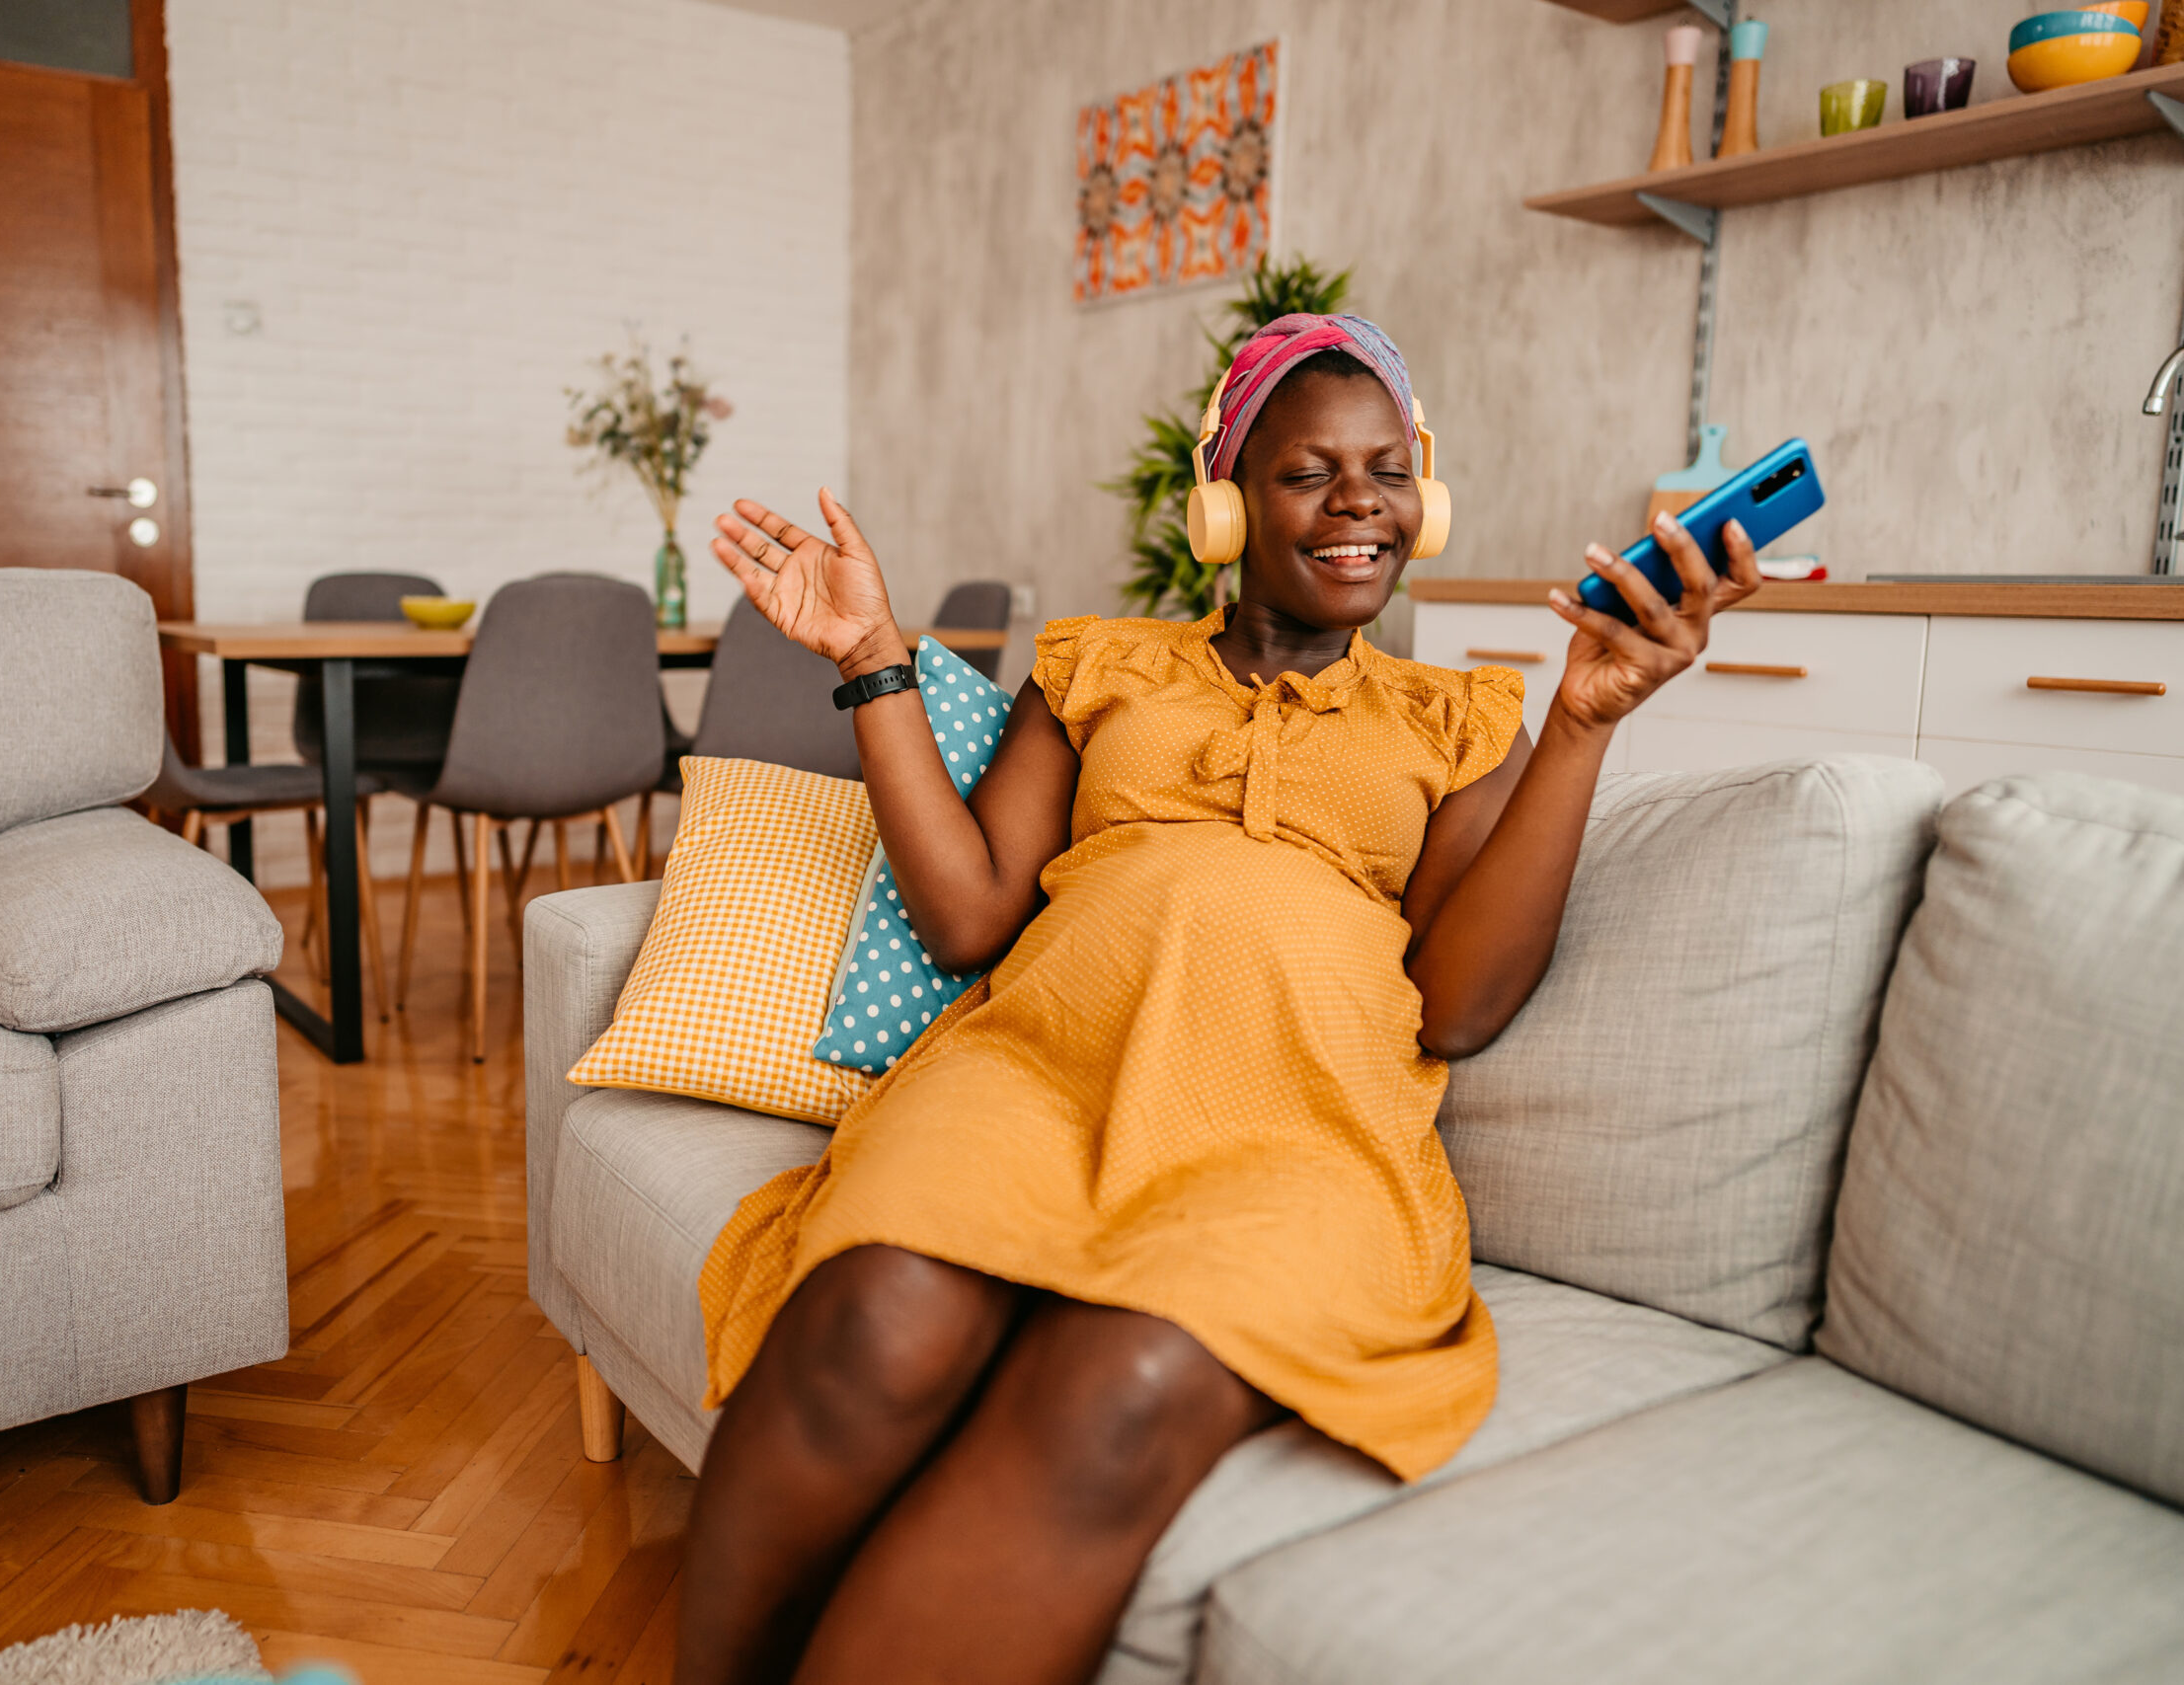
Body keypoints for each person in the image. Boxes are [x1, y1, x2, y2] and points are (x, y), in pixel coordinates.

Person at [675, 315, 1760, 1685]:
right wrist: (870, 659)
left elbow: (1463, 1004)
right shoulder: (1095, 668)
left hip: (1296, 1131)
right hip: (1033, 1079)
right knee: (870, 1318)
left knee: (1119, 1390)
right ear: (1227, 499)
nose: (1358, 499)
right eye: (1310, 472)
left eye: (1386, 469)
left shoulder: (1459, 721)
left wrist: (1587, 723)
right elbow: (967, 914)